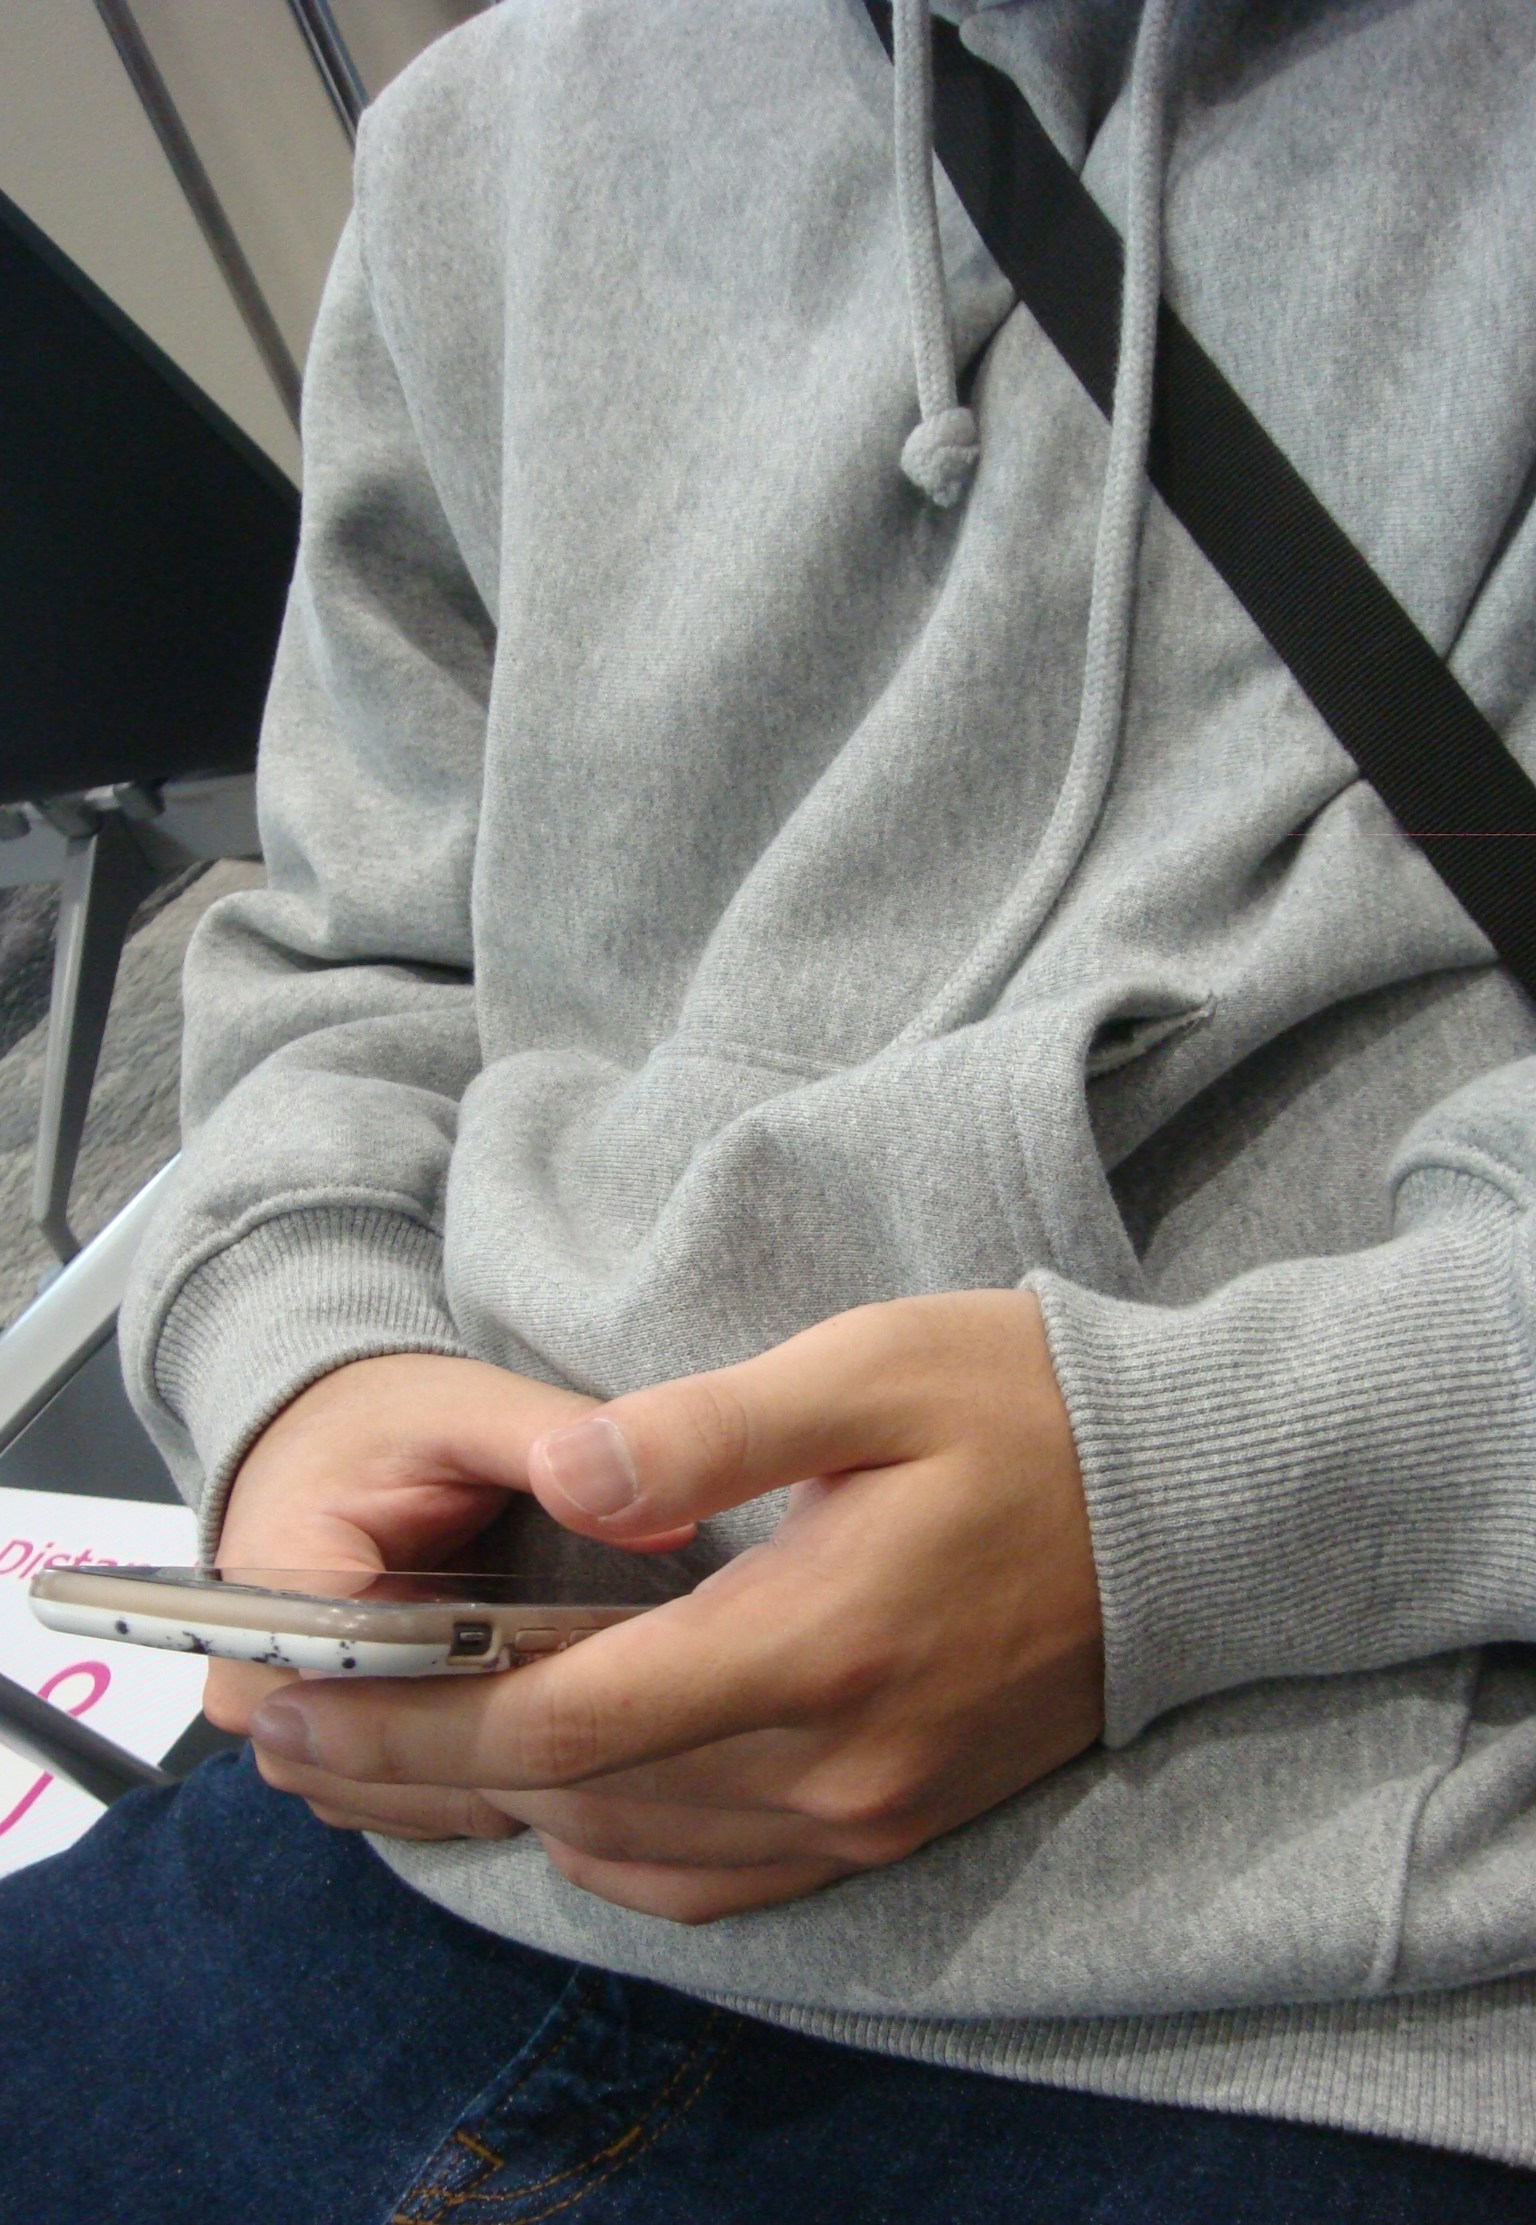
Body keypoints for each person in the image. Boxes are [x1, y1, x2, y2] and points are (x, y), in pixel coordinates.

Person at [3, 0, 1536, 2216]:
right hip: (434, 1833)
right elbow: (352, 953)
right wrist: (303, 1355)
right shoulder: (490, 144)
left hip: (1334, 1964)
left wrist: (1177, 1512)